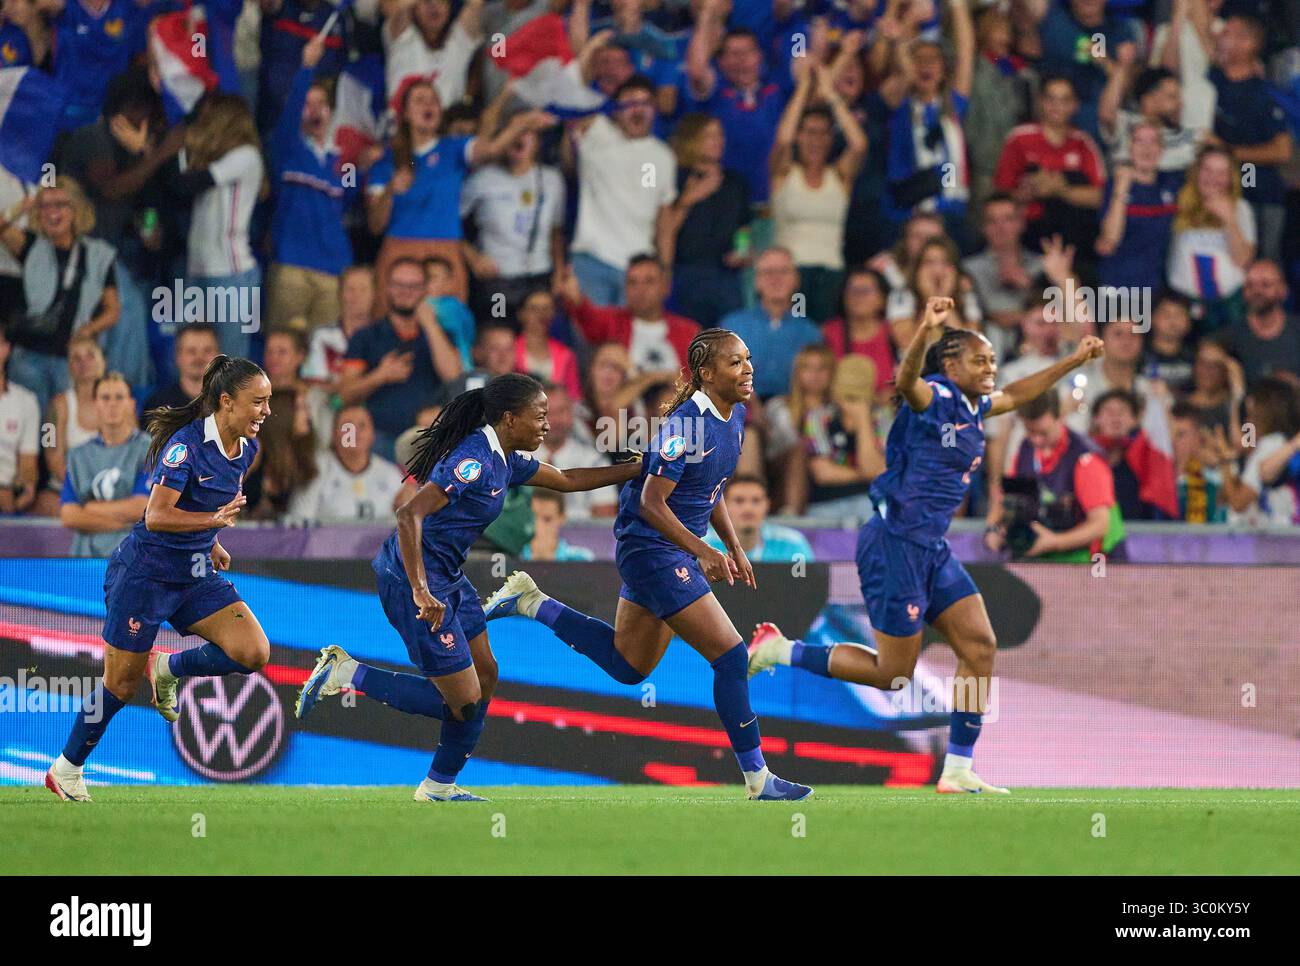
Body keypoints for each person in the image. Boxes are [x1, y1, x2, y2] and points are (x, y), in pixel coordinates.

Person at [749, 297, 1106, 794]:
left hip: (930, 546)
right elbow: (906, 379)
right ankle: (781, 650)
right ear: (952, 364)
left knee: (980, 645)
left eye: (992, 361)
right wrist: (924, 330)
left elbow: (1018, 393)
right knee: (893, 674)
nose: (989, 369)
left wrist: (1072, 361)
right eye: (979, 361)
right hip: (895, 543)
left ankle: (958, 768)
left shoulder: (974, 404)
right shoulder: (932, 396)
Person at [479, 329, 814, 801]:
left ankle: (532, 603)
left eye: (749, 359)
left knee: (628, 667)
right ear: (706, 372)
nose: (748, 369)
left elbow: (710, 488)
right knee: (733, 655)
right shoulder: (685, 428)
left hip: (670, 549)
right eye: (736, 362)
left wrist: (733, 545)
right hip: (652, 549)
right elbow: (654, 504)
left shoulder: (733, 416)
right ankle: (759, 780)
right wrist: (703, 551)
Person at [294, 373, 640, 802]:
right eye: (540, 416)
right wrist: (421, 590)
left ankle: (439, 785)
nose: (547, 425)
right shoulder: (473, 458)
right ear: (511, 419)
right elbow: (408, 516)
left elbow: (567, 479)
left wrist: (634, 468)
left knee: (486, 676)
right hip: (412, 577)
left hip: (449, 577)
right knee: (463, 701)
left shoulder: (506, 456)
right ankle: (344, 672)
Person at [44, 355, 271, 801]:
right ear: (226, 402)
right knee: (121, 686)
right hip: (145, 575)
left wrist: (212, 543)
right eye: (257, 402)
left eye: (267, 401)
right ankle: (65, 768)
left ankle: (169, 666)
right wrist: (212, 523)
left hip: (194, 573)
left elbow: (206, 508)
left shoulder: (247, 450)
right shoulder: (184, 447)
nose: (265, 411)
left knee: (253, 651)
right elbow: (156, 516)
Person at [0, 177, 120, 417]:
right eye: (44, 206)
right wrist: (21, 207)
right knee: (32, 431)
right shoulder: (31, 244)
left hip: (72, 359)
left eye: (60, 205)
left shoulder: (98, 254)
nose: (51, 212)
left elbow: (112, 309)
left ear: (75, 209)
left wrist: (88, 330)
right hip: (28, 357)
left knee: (64, 430)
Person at [769, 64, 868, 324]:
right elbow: (783, 140)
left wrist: (831, 94)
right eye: (809, 133)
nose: (816, 140)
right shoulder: (783, 174)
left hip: (831, 273)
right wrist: (803, 87)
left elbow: (858, 144)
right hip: (791, 274)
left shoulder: (840, 176)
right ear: (799, 136)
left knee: (823, 341)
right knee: (794, 337)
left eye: (823, 133)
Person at [566, 75, 677, 305]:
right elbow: (573, 95)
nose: (637, 110)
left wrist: (664, 266)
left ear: (654, 109)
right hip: (592, 260)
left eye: (645, 104)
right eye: (629, 104)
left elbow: (663, 216)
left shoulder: (663, 156)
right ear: (616, 110)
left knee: (632, 340)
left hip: (639, 267)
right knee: (590, 339)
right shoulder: (597, 134)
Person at [337, 258, 463, 459]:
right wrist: (380, 375)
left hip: (427, 439)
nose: (406, 291)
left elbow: (454, 377)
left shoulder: (442, 335)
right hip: (380, 438)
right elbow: (343, 395)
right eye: (399, 284)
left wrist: (430, 325)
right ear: (387, 287)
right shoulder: (366, 336)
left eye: (413, 286)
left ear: (424, 289)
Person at [663, 113, 751, 328]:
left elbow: (743, 227)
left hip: (725, 276)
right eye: (709, 135)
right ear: (691, 140)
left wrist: (741, 251)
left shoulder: (735, 181)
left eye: (720, 135)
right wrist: (690, 198)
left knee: (727, 343)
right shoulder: (676, 178)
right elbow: (665, 230)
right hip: (685, 273)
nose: (718, 141)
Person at [59, 371, 150, 556]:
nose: (112, 404)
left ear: (132, 404)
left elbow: (142, 507)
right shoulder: (78, 455)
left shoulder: (149, 448)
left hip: (134, 557)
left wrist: (91, 508)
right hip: (85, 559)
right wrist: (122, 524)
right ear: (95, 405)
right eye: (105, 397)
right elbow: (69, 515)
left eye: (119, 397)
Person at [556, 255, 698, 374]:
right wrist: (576, 298)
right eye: (632, 282)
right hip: (624, 407)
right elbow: (587, 317)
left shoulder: (688, 331)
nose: (640, 290)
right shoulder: (613, 322)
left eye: (649, 281)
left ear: (665, 287)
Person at [1166, 145, 1255, 333]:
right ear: (1196, 172)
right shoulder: (1177, 203)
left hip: (1228, 306)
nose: (1214, 178)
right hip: (1182, 304)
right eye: (1208, 170)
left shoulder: (1241, 208)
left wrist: (1230, 221)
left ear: (1231, 178)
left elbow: (1243, 260)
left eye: (1222, 172)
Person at [719, 247, 822, 399]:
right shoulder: (732, 326)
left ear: (796, 280)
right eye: (768, 272)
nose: (776, 279)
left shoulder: (810, 332)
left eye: (784, 272)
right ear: (756, 282)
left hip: (794, 409)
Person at [287, 405, 412, 523]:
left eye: (362, 426)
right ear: (334, 434)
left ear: (372, 434)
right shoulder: (315, 470)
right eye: (348, 427)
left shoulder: (391, 474)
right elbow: (299, 524)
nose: (355, 432)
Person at [1089, 388, 1179, 521]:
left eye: (1122, 411)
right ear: (1096, 419)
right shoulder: (1083, 457)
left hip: (1138, 536)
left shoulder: (1149, 457)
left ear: (1134, 420)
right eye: (1109, 411)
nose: (1116, 417)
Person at [703, 473, 814, 564]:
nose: (748, 508)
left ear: (767, 505)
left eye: (756, 500)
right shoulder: (704, 545)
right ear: (724, 506)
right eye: (739, 500)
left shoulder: (793, 544)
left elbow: (807, 585)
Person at [1222, 260, 1300, 385]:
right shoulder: (1230, 338)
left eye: (1265, 285)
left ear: (1283, 291)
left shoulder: (1297, 331)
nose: (1256, 291)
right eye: (1250, 285)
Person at [0, 326, 38, 514]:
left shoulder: (26, 401)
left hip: (7, 489)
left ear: (7, 349)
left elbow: (28, 462)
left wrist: (25, 486)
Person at [143, 323, 220, 414]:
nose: (199, 358)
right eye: (191, 351)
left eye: (207, 351)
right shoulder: (157, 406)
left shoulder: (233, 403)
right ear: (177, 356)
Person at [522, 489, 596, 562]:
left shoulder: (582, 559)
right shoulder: (515, 556)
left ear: (562, 518)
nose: (538, 525)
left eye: (547, 519)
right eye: (533, 518)